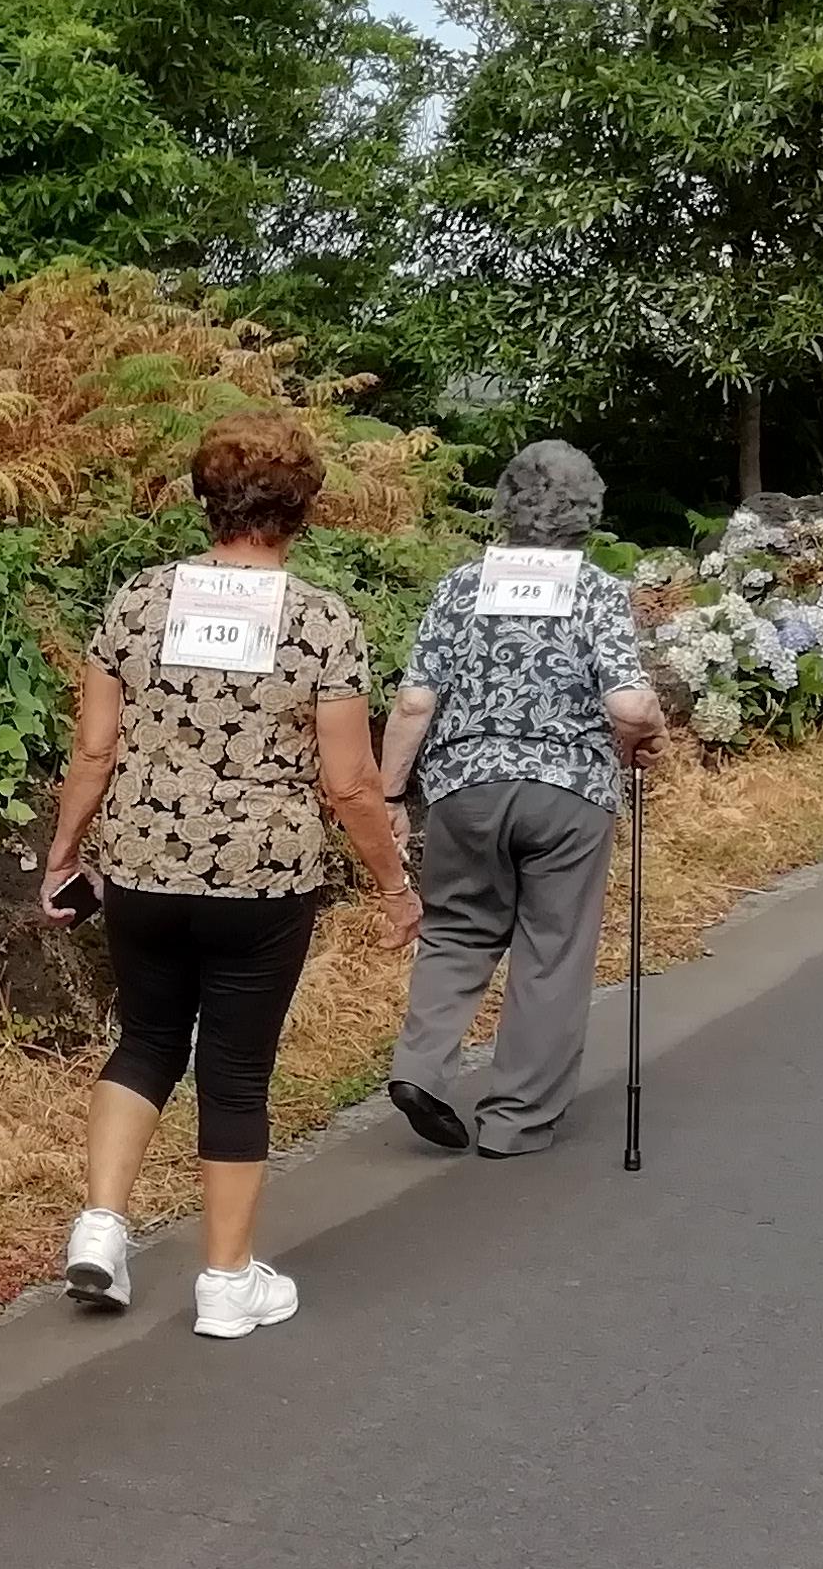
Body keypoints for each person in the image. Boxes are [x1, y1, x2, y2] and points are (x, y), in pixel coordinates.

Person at [37, 413, 419, 1337]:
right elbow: (349, 782)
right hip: (263, 879)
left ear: (206, 500)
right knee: (237, 1071)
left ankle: (101, 1226)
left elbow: (94, 751)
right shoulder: (322, 620)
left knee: (146, 1040)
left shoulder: (139, 601)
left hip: (142, 863)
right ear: (303, 508)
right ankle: (226, 1281)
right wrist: (395, 885)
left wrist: (65, 854)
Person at [376, 437, 667, 1158]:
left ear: (506, 504)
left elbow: (414, 702)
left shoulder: (459, 586)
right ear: (587, 512)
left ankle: (420, 1070)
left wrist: (391, 793)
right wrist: (650, 732)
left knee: (456, 928)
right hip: (569, 793)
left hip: (465, 788)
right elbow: (629, 706)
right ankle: (515, 1120)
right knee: (551, 950)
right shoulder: (596, 590)